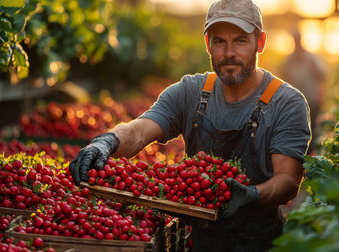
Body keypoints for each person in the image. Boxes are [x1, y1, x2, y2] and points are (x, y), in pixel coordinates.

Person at [70, 0, 311, 251]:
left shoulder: (287, 103)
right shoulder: (191, 92)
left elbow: (288, 181)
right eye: (219, 41)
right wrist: (107, 141)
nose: (229, 52)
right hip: (200, 242)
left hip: (261, 243)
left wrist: (252, 194)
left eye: (240, 40)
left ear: (260, 43)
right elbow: (139, 131)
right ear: (208, 44)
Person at [281, 27, 326, 153]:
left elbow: (321, 77)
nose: (296, 41)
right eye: (294, 39)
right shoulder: (288, 61)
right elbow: (283, 79)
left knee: (312, 130)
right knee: (296, 129)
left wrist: (320, 96)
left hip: (311, 99)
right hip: (294, 101)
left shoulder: (311, 58)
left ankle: (312, 156)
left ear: (300, 39)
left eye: (297, 38)